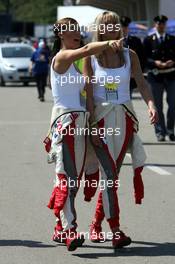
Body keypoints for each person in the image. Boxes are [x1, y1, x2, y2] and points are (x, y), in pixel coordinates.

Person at [43, 17, 122, 251]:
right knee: (67, 178)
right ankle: (69, 231)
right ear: (61, 35)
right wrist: (110, 43)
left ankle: (60, 227)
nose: (77, 33)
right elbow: (88, 48)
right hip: (66, 123)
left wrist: (92, 121)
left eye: (78, 30)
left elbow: (86, 90)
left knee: (74, 179)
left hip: (82, 122)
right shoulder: (62, 57)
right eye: (71, 30)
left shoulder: (78, 60)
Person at [83, 11, 158, 249]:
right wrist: (91, 123)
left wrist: (151, 104)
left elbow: (142, 83)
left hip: (124, 119)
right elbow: (87, 92)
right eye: (105, 25)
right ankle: (114, 229)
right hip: (100, 120)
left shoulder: (130, 54)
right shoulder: (90, 54)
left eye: (114, 24)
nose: (111, 28)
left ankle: (96, 225)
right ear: (99, 29)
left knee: (111, 176)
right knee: (108, 175)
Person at [144, 15, 175, 142]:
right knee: (157, 106)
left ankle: (170, 130)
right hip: (155, 76)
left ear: (165, 25)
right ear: (155, 25)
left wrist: (172, 61)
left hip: (171, 75)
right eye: (158, 23)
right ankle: (160, 132)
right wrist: (156, 63)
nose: (161, 25)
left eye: (163, 23)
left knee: (173, 105)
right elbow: (144, 58)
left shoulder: (172, 39)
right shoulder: (148, 40)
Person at [120, 16, 145, 96]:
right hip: (116, 76)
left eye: (125, 26)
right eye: (122, 26)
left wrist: (137, 72)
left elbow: (142, 58)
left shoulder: (135, 41)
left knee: (127, 99)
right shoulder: (112, 41)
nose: (123, 29)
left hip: (131, 76)